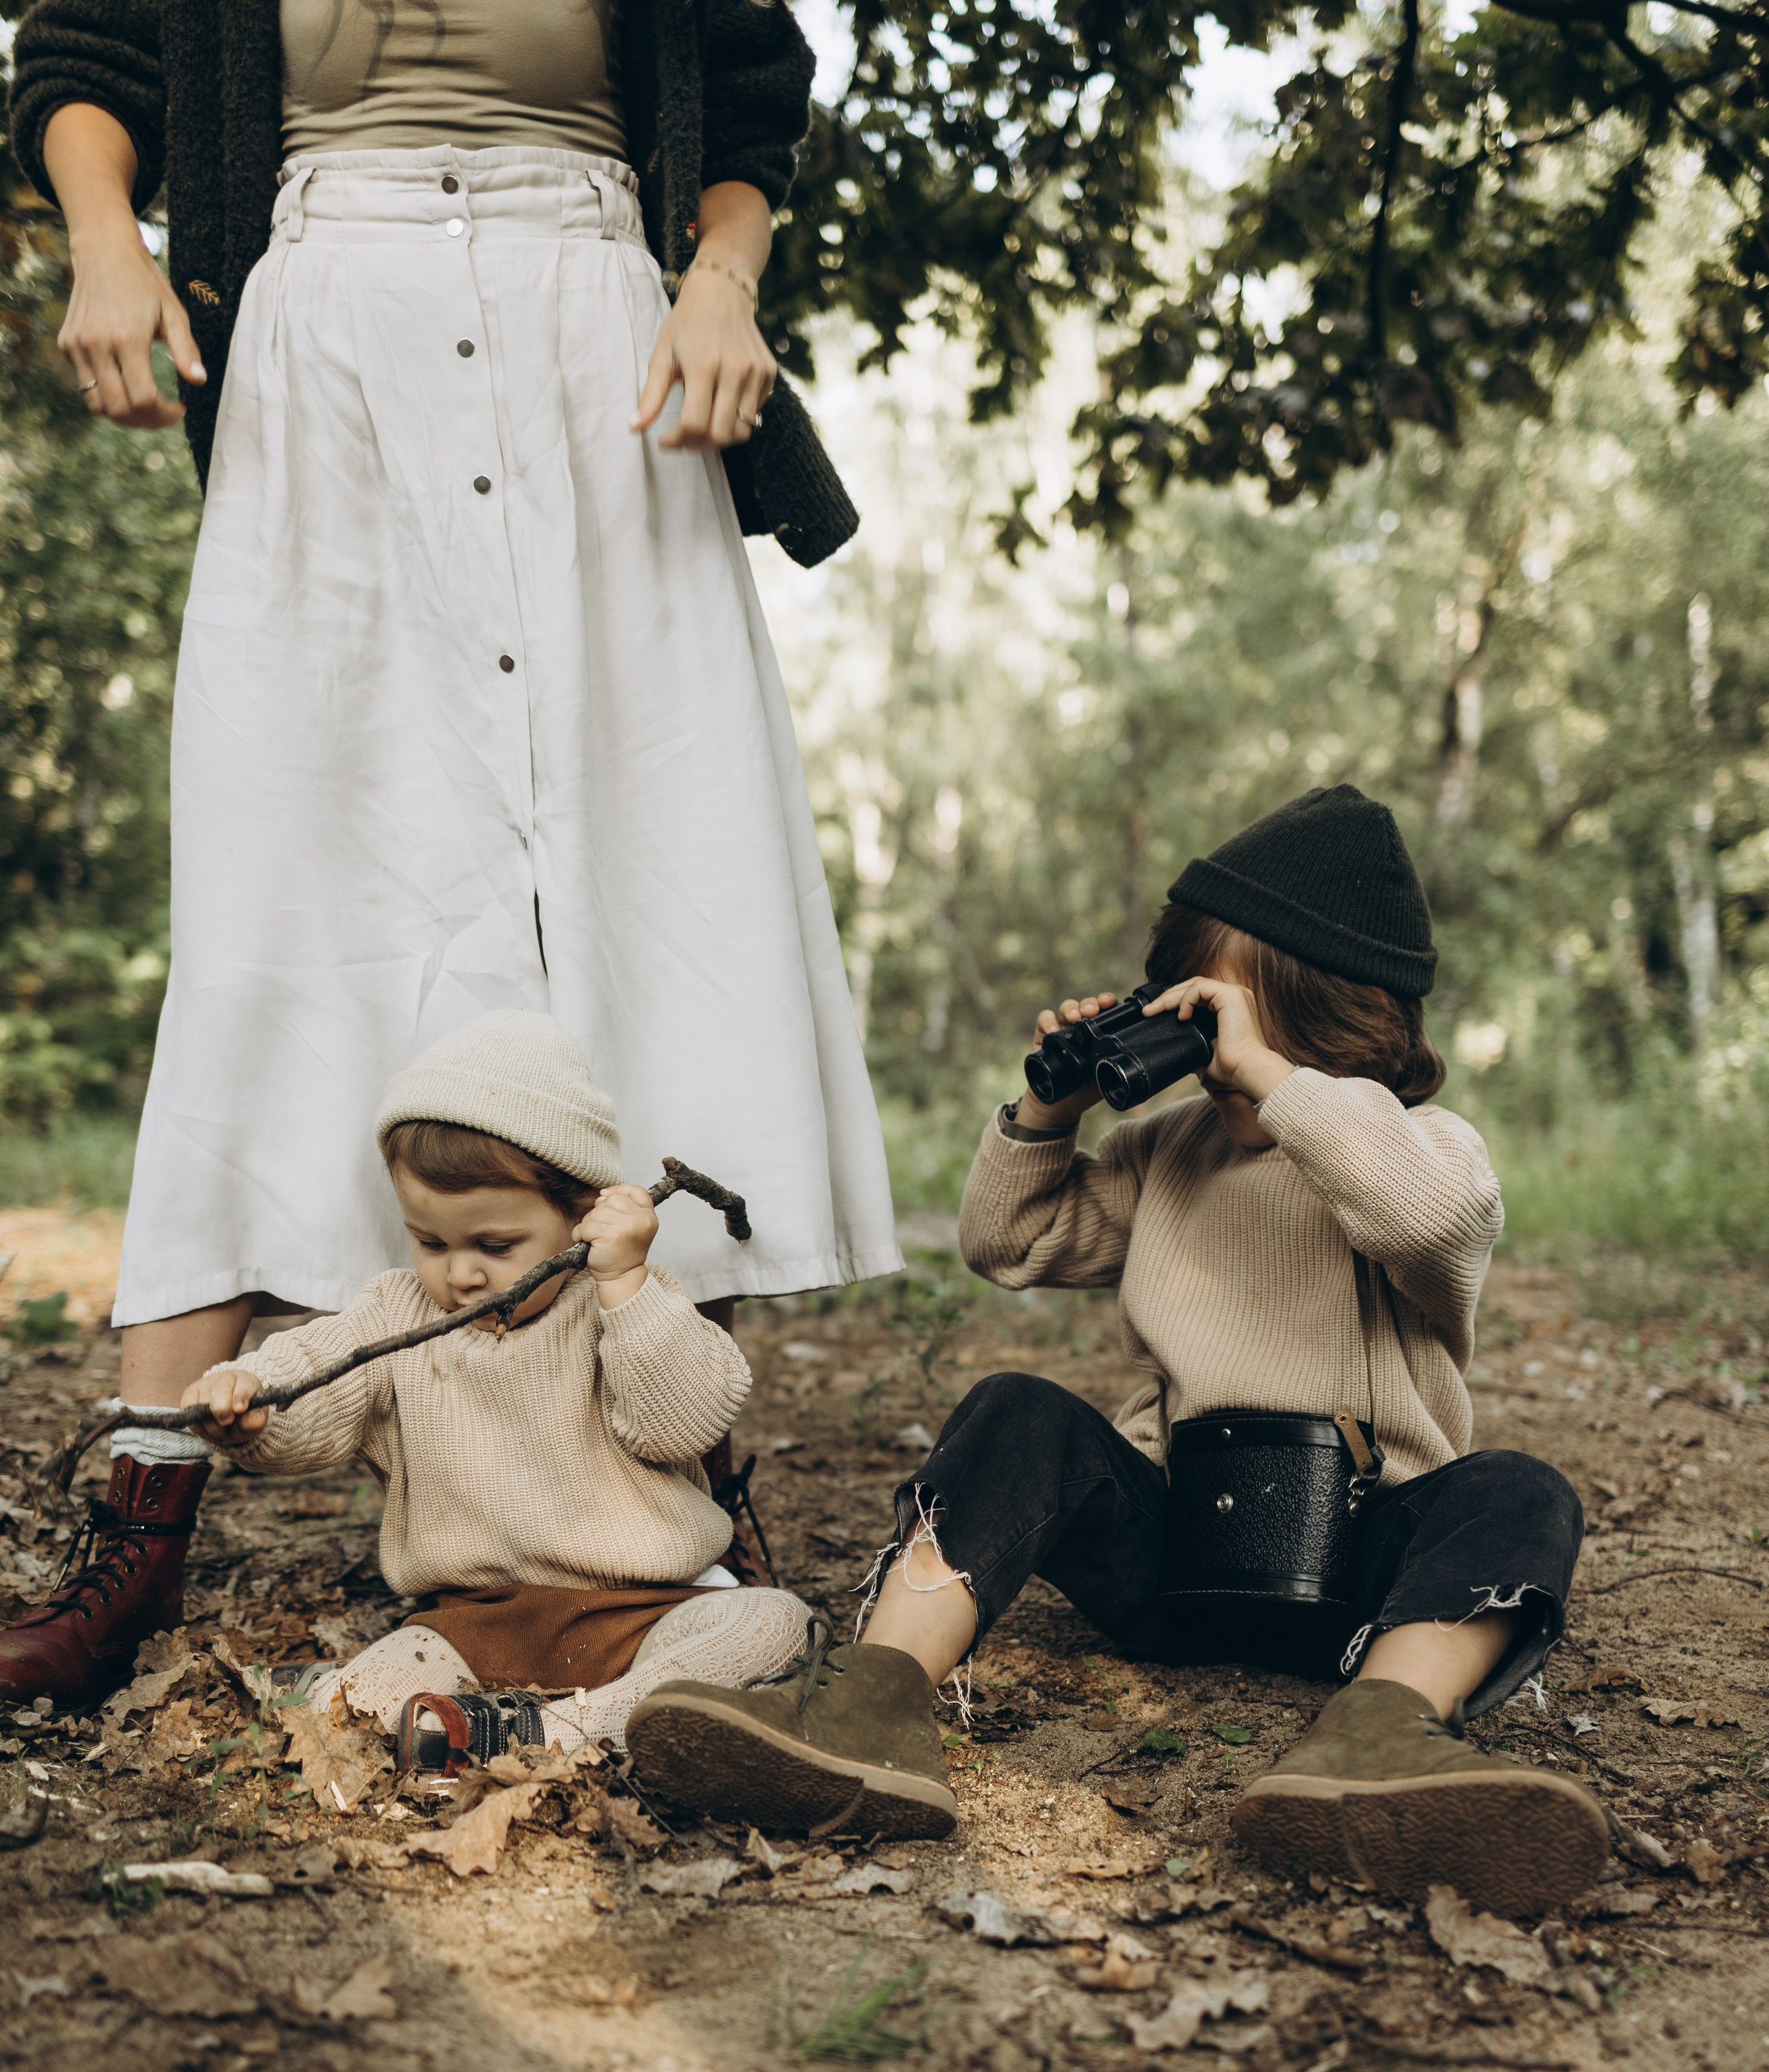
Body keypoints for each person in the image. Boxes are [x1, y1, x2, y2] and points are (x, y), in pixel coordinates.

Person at [0, 0, 899, 1708]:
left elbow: (750, 106)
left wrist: (721, 280)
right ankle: (140, 1536)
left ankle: (679, 1496)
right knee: (278, 918)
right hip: (327, 368)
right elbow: (81, 61)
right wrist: (107, 236)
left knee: (642, 892)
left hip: (606, 368)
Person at [625, 786, 1609, 1918]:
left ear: (1347, 1024)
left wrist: (1285, 1089)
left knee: (1522, 1494)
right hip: (1176, 1555)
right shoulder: (1166, 1155)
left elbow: (1425, 1222)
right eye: (1198, 1019)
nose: (1221, 1056)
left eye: (1251, 1022)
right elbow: (1010, 1243)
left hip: (1359, 1571)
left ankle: (1381, 1735)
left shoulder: (1427, 1150)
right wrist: (1055, 1113)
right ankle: (874, 1703)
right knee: (1017, 1410)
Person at [176, 1012, 813, 1755]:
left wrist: (628, 1288)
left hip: (647, 1613)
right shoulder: (398, 1315)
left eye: (495, 1245)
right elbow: (318, 1374)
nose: (462, 1272)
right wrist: (250, 1395)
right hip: (472, 1624)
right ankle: (354, 1696)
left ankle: (561, 1730)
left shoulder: (623, 1305)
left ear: (584, 1215)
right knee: (362, 1708)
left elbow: (682, 1423)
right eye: (431, 1242)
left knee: (773, 1627)